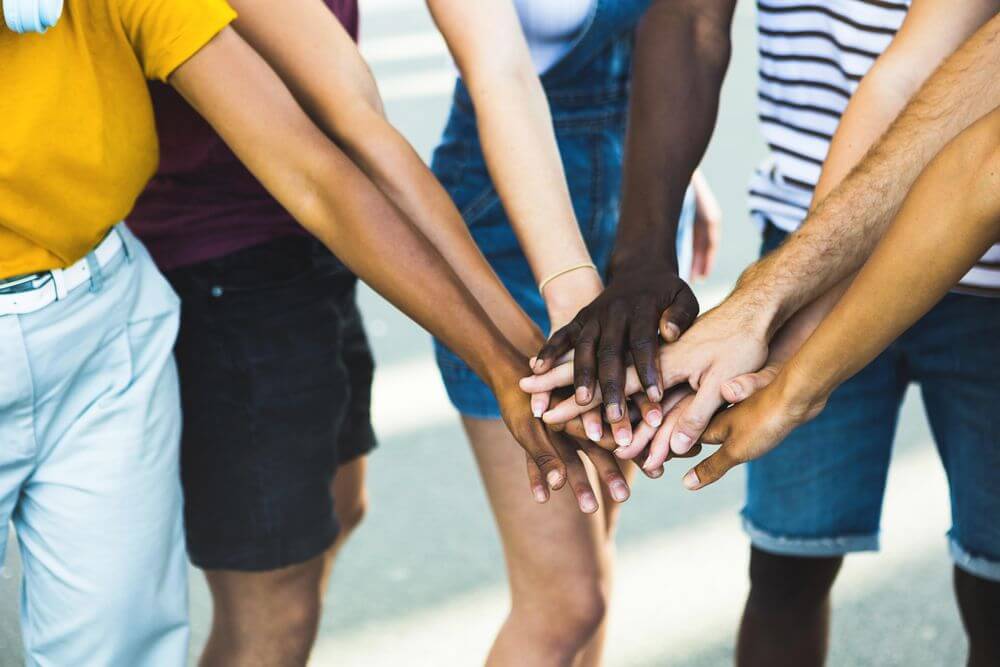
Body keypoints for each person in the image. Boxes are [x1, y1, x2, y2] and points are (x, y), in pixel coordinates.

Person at [0, 0, 598, 661]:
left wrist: (525, 351)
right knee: (274, 605)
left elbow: (375, 131)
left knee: (335, 512)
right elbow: (347, 143)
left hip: (309, 244)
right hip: (225, 262)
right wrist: (513, 356)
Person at [524, 1, 1000, 665]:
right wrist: (769, 302)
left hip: (984, 281)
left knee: (993, 589)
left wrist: (794, 368)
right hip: (822, 219)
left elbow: (984, 169)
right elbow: (915, 73)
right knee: (787, 567)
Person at [425, 1, 718, 663]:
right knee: (567, 600)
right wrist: (575, 293)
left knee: (599, 549)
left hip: (637, 213)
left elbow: (684, 24)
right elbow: (499, 71)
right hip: (513, 214)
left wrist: (674, 177)